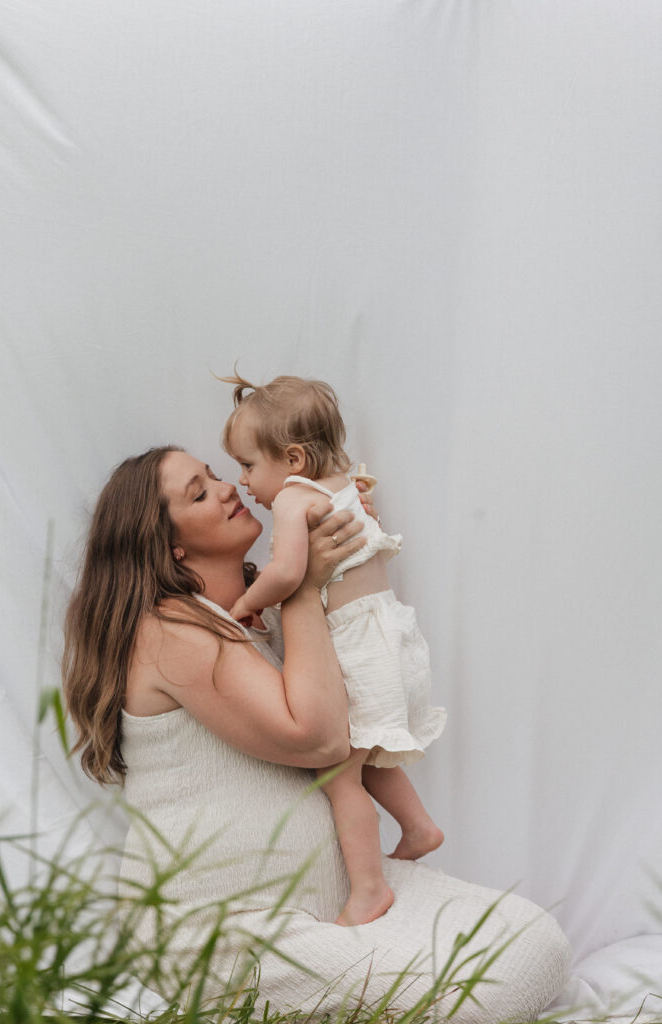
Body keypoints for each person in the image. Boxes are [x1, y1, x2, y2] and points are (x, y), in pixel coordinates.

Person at [62, 445, 570, 1021]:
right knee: (485, 989)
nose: (227, 488)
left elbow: (365, 691)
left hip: (338, 901)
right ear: (168, 545)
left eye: (215, 475)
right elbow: (319, 740)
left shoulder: (267, 615)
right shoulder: (169, 626)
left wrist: (344, 536)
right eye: (198, 493)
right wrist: (303, 584)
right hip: (226, 933)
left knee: (535, 941)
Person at [221, 374, 446, 926]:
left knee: (337, 776)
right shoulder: (345, 485)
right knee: (362, 753)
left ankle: (368, 889)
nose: (242, 480)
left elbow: (290, 572)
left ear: (292, 459)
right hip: (391, 639)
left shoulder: (296, 500)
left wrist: (245, 604)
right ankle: (419, 828)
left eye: (248, 465)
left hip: (358, 646)